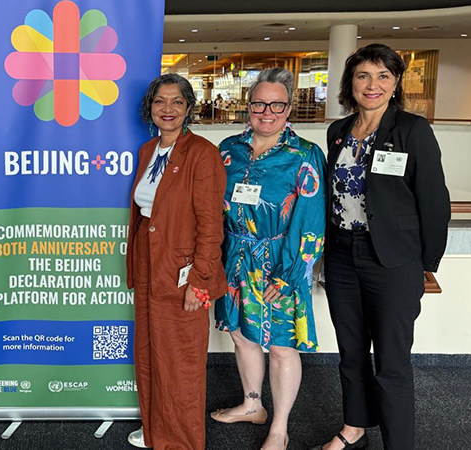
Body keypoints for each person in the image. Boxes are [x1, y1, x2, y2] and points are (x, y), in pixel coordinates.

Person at [310, 43, 450, 450]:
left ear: (396, 83)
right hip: (341, 256)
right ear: (350, 83)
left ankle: (398, 444)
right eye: (363, 76)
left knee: (391, 363)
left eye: (383, 76)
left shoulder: (412, 129)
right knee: (350, 353)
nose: (372, 85)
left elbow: (434, 201)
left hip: (392, 261)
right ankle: (354, 428)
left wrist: (426, 264)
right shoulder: (338, 132)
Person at [211, 67, 326, 450]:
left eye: (277, 104)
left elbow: (311, 221)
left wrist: (291, 274)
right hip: (234, 257)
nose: (267, 111)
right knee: (242, 337)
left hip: (280, 261)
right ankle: (252, 405)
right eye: (259, 103)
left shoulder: (304, 155)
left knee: (280, 344)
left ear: (289, 108)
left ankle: (279, 426)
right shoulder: (228, 149)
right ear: (248, 106)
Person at [125, 73, 227, 450]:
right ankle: (156, 430)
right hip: (149, 264)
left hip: (183, 269)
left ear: (188, 109)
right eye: (159, 102)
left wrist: (199, 281)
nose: (167, 110)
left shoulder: (202, 153)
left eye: (176, 102)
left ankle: (182, 442)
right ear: (149, 108)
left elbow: (211, 225)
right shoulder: (148, 150)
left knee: (180, 361)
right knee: (150, 354)